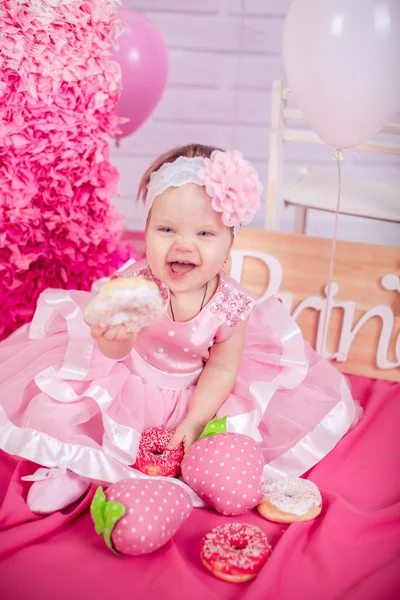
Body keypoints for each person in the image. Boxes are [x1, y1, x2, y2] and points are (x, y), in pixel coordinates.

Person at [0, 144, 360, 513]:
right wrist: (115, 340)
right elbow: (111, 353)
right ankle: (73, 463)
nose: (183, 243)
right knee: (74, 407)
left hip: (193, 391)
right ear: (146, 230)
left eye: (205, 234)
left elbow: (221, 367)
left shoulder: (231, 305)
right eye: (166, 229)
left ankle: (200, 466)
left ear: (229, 243)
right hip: (126, 378)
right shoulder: (136, 284)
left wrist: (196, 419)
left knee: (217, 440)